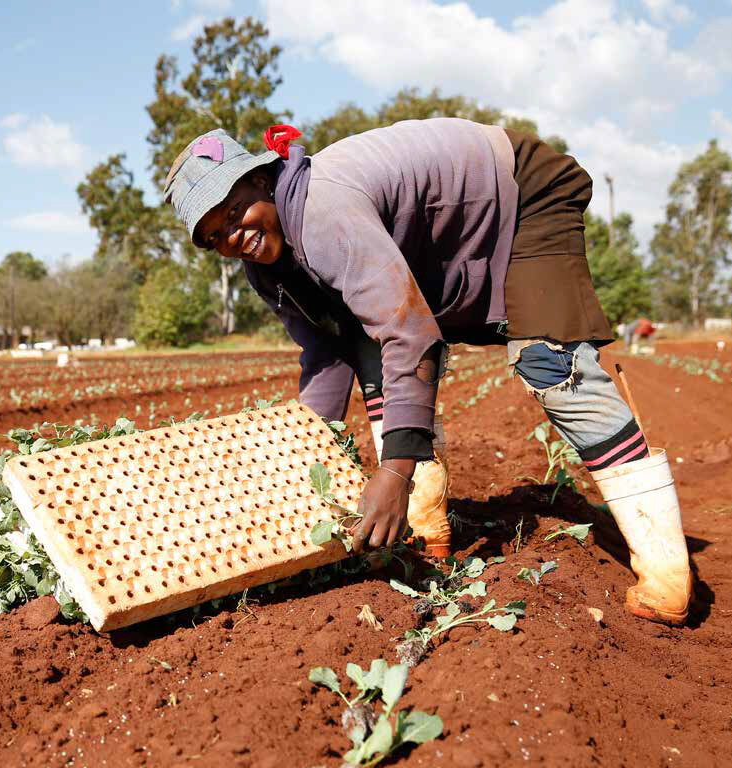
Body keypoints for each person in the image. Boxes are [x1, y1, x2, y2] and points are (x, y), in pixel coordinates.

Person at [164, 120, 692, 626]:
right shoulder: (268, 264)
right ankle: (425, 531)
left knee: (550, 363)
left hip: (521, 194)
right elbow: (326, 355)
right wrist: (303, 471)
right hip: (442, 243)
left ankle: (667, 571)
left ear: (262, 180)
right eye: (216, 237)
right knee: (370, 349)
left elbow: (411, 335)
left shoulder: (323, 212)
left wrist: (393, 475)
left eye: (235, 212)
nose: (234, 236)